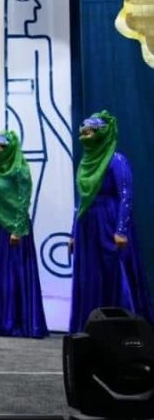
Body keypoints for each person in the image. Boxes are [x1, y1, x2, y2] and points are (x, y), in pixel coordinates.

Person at [68, 111, 154, 332]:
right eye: (82, 133)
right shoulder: (85, 164)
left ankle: (123, 330)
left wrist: (121, 230)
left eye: (89, 132)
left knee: (113, 272)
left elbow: (126, 195)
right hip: (87, 227)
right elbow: (80, 201)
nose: (84, 136)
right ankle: (89, 328)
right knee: (90, 275)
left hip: (109, 224)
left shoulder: (116, 160)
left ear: (101, 133)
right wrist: (73, 233)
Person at [0, 131, 47, 338]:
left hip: (13, 228)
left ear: (8, 151)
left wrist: (17, 229)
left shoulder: (20, 170)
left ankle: (14, 321)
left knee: (13, 274)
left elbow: (24, 202)